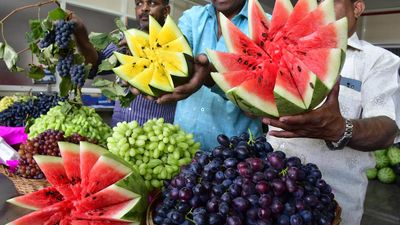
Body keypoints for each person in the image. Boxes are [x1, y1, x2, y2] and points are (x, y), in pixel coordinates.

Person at [262, 0, 400, 224]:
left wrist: (339, 129)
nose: (320, 9)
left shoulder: (378, 60)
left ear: (357, 8)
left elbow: (387, 129)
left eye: (330, 1)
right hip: (269, 194)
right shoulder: (284, 49)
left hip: (332, 206)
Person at [157, 0, 264, 151]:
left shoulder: (266, 25)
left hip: (236, 155)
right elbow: (171, 60)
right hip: (182, 148)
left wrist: (211, 76)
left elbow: (258, 106)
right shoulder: (192, 17)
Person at [72, 0, 176, 126]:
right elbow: (94, 64)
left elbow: (176, 80)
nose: (144, 8)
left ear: (166, 11)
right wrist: (81, 34)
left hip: (155, 135)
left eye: (152, 3)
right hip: (119, 132)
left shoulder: (176, 46)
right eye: (139, 3)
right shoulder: (124, 41)